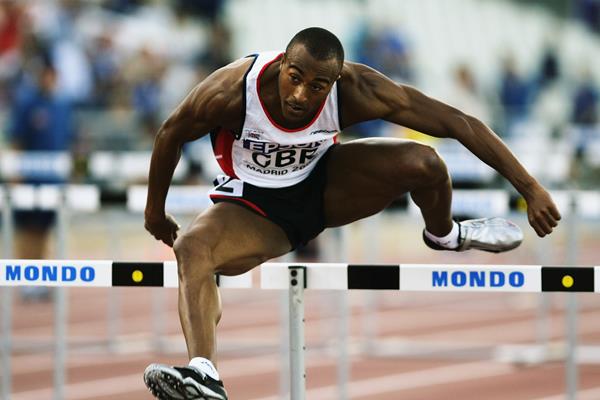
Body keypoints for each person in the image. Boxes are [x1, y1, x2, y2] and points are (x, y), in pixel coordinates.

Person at [143, 27, 561, 399]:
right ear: (282, 64)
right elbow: (170, 134)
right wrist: (155, 212)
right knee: (192, 248)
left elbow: (459, 121)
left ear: (336, 82)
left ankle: (445, 234)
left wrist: (531, 188)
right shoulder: (232, 91)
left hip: (325, 187)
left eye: (318, 86)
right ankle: (205, 375)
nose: (302, 96)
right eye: (295, 79)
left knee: (426, 163)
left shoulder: (360, 89)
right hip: (255, 206)